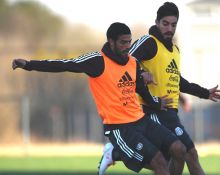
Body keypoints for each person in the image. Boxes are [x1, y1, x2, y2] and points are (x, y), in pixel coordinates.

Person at [12, 22, 188, 175]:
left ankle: (114, 153)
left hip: (141, 120)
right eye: (122, 43)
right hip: (120, 128)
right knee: (160, 163)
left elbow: (141, 89)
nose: (127, 47)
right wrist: (29, 65)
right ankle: (115, 151)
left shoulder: (132, 62)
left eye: (129, 42)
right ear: (111, 42)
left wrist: (156, 102)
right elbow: (65, 64)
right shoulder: (97, 61)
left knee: (179, 150)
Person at [99, 3, 220, 175]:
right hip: (152, 110)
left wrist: (203, 92)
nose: (169, 28)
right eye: (165, 23)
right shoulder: (149, 42)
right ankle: (115, 152)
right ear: (157, 22)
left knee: (175, 156)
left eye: (174, 25)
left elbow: (177, 81)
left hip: (170, 112)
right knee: (188, 153)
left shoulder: (175, 51)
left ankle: (114, 153)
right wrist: (141, 73)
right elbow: (125, 61)